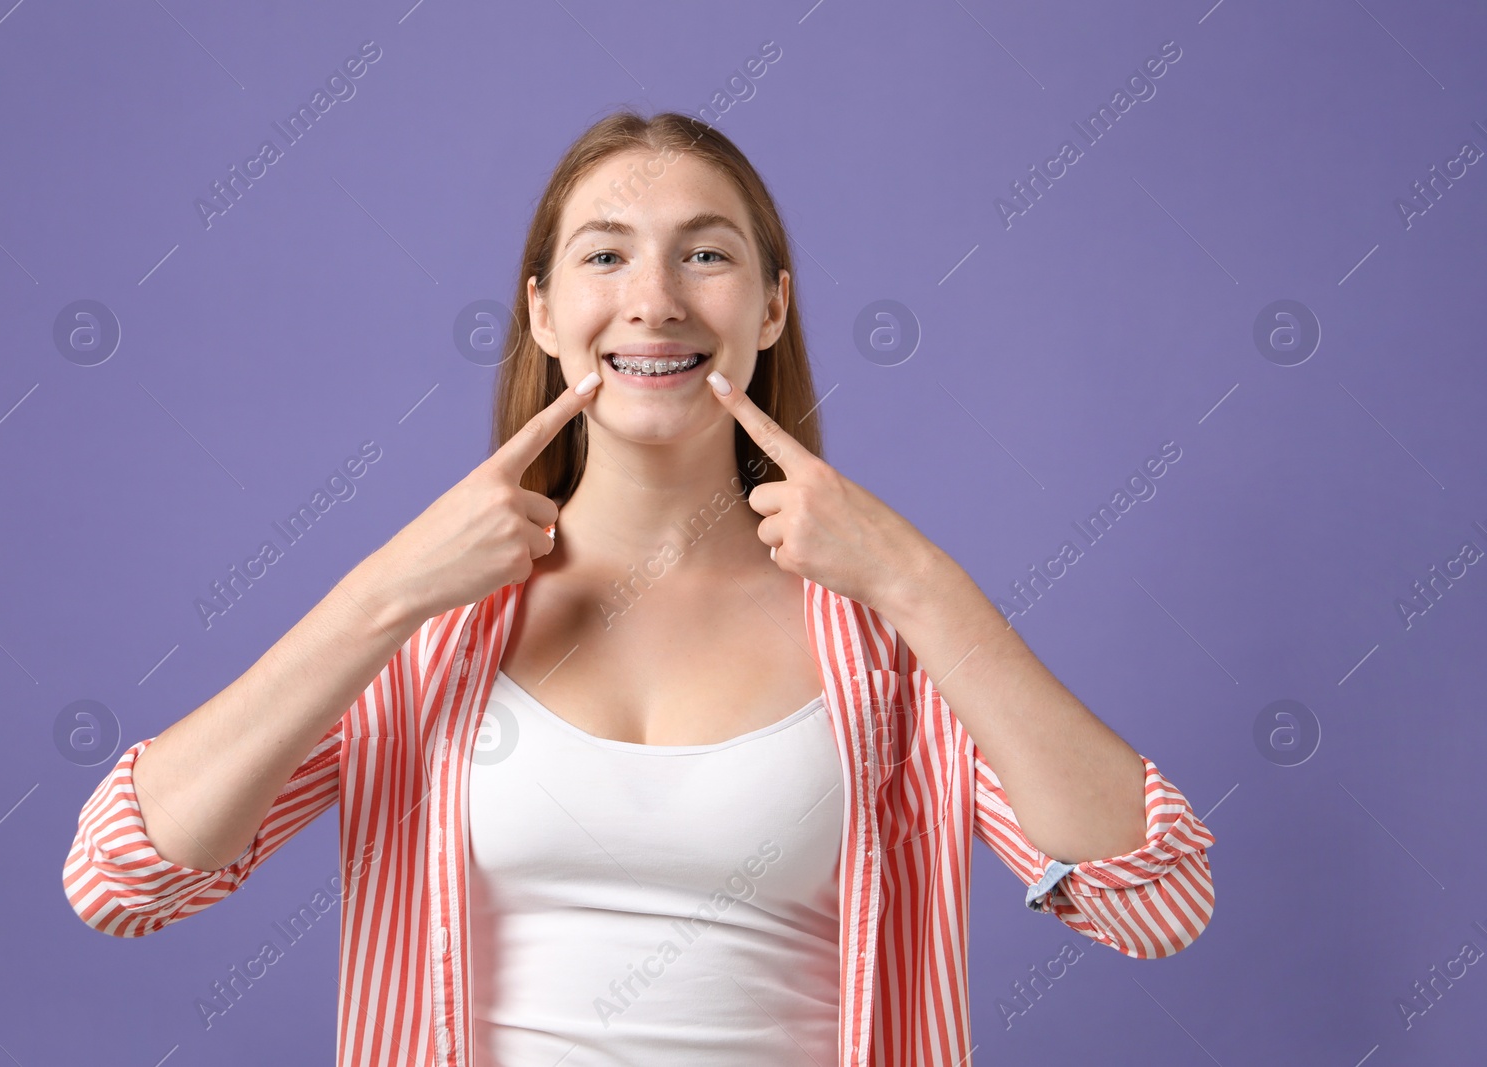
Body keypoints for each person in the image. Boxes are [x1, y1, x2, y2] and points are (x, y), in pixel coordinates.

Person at [63, 109, 1215, 1067]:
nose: (654, 299)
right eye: (604, 254)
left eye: (705, 253)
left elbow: (1149, 900)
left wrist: (920, 584)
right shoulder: (431, 630)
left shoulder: (882, 641)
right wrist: (381, 596)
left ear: (769, 308)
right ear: (541, 311)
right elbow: (123, 878)